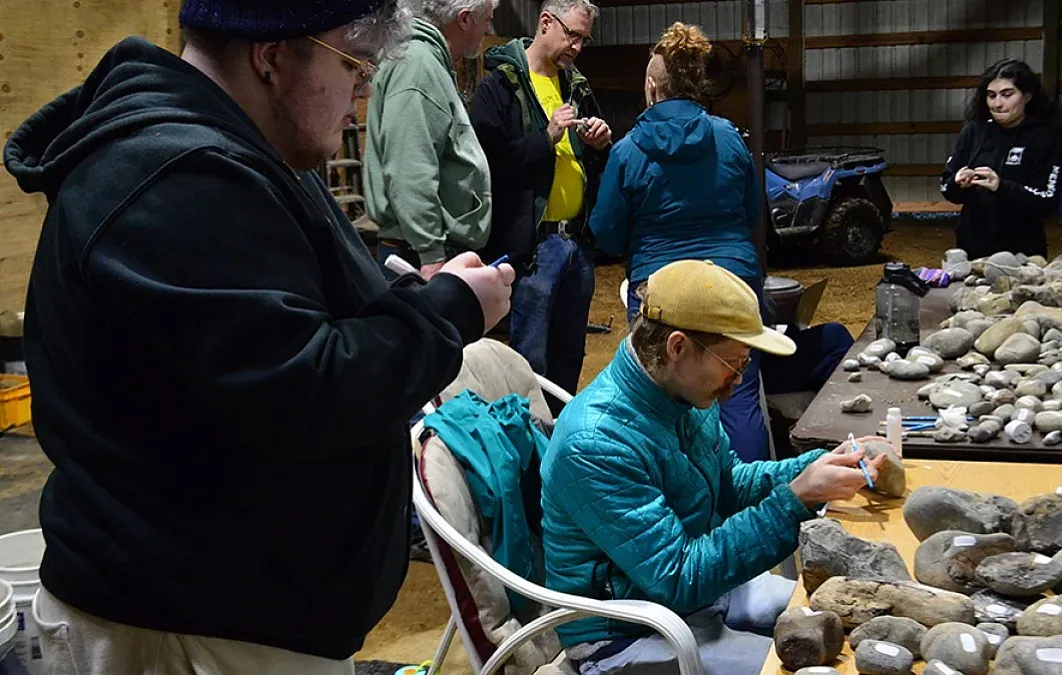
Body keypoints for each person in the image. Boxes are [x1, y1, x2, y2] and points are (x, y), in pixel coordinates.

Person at [2, 0, 515, 672]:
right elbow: (308, 389)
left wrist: (406, 296)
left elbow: (285, 328)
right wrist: (448, 311)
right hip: (187, 631)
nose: (363, 88)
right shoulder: (177, 179)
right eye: (352, 63)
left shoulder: (235, 153)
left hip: (230, 621)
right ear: (271, 56)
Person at [541, 260, 888, 675]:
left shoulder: (683, 393)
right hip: (626, 632)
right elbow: (678, 577)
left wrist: (816, 465)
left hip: (695, 596)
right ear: (677, 346)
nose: (739, 380)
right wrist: (796, 499)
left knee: (844, 616)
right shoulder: (597, 443)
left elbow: (729, 483)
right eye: (735, 363)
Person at [589, 23, 852, 462]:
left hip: (663, 294)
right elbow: (754, 216)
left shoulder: (628, 150)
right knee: (737, 394)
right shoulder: (729, 138)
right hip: (732, 283)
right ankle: (750, 498)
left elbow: (607, 233)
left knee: (660, 408)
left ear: (653, 86)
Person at [470, 0, 611, 396]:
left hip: (576, 243)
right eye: (573, 36)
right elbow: (490, 164)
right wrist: (546, 137)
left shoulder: (575, 85)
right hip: (533, 250)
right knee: (530, 361)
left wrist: (599, 142)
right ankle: (532, 446)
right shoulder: (499, 87)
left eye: (585, 40)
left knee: (570, 355)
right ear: (546, 22)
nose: (578, 48)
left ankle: (560, 441)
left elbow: (595, 161)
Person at [364, 0, 496, 278]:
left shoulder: (426, 60)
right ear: (464, 19)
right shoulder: (418, 65)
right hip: (421, 254)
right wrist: (431, 252)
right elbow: (409, 166)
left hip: (423, 246)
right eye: (487, 20)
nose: (488, 29)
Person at [941, 58, 1062, 259]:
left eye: (1007, 95)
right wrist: (957, 182)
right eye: (991, 96)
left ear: (1027, 96)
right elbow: (947, 188)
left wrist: (1001, 187)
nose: (997, 104)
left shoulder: (1045, 138)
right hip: (971, 251)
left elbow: (1048, 202)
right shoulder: (973, 132)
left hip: (1023, 254)